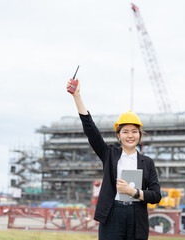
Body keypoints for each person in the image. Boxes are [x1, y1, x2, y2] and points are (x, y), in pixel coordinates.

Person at [67, 78, 161, 240]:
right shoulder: (109, 154)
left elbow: (156, 195)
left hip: (136, 217)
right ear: (118, 135)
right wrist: (77, 96)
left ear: (140, 134)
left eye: (134, 131)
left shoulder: (148, 163)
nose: (130, 135)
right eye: (125, 131)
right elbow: (91, 130)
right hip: (112, 214)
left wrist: (133, 192)